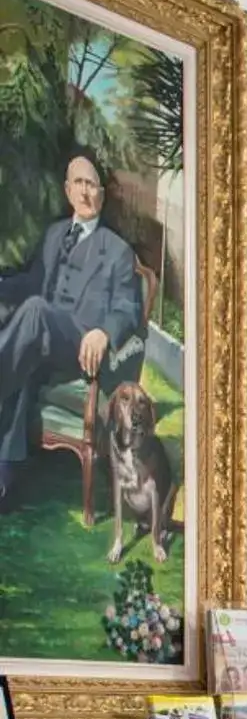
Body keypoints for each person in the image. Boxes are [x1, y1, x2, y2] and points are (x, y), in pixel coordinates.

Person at [0, 152, 144, 504]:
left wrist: (104, 332)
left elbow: (129, 308)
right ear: (67, 190)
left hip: (80, 344)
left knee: (34, 312)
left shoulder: (117, 251)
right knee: (22, 358)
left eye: (91, 184)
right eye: (78, 183)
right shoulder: (53, 236)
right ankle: (3, 479)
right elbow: (32, 281)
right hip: (39, 343)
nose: (85, 191)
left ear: (101, 193)